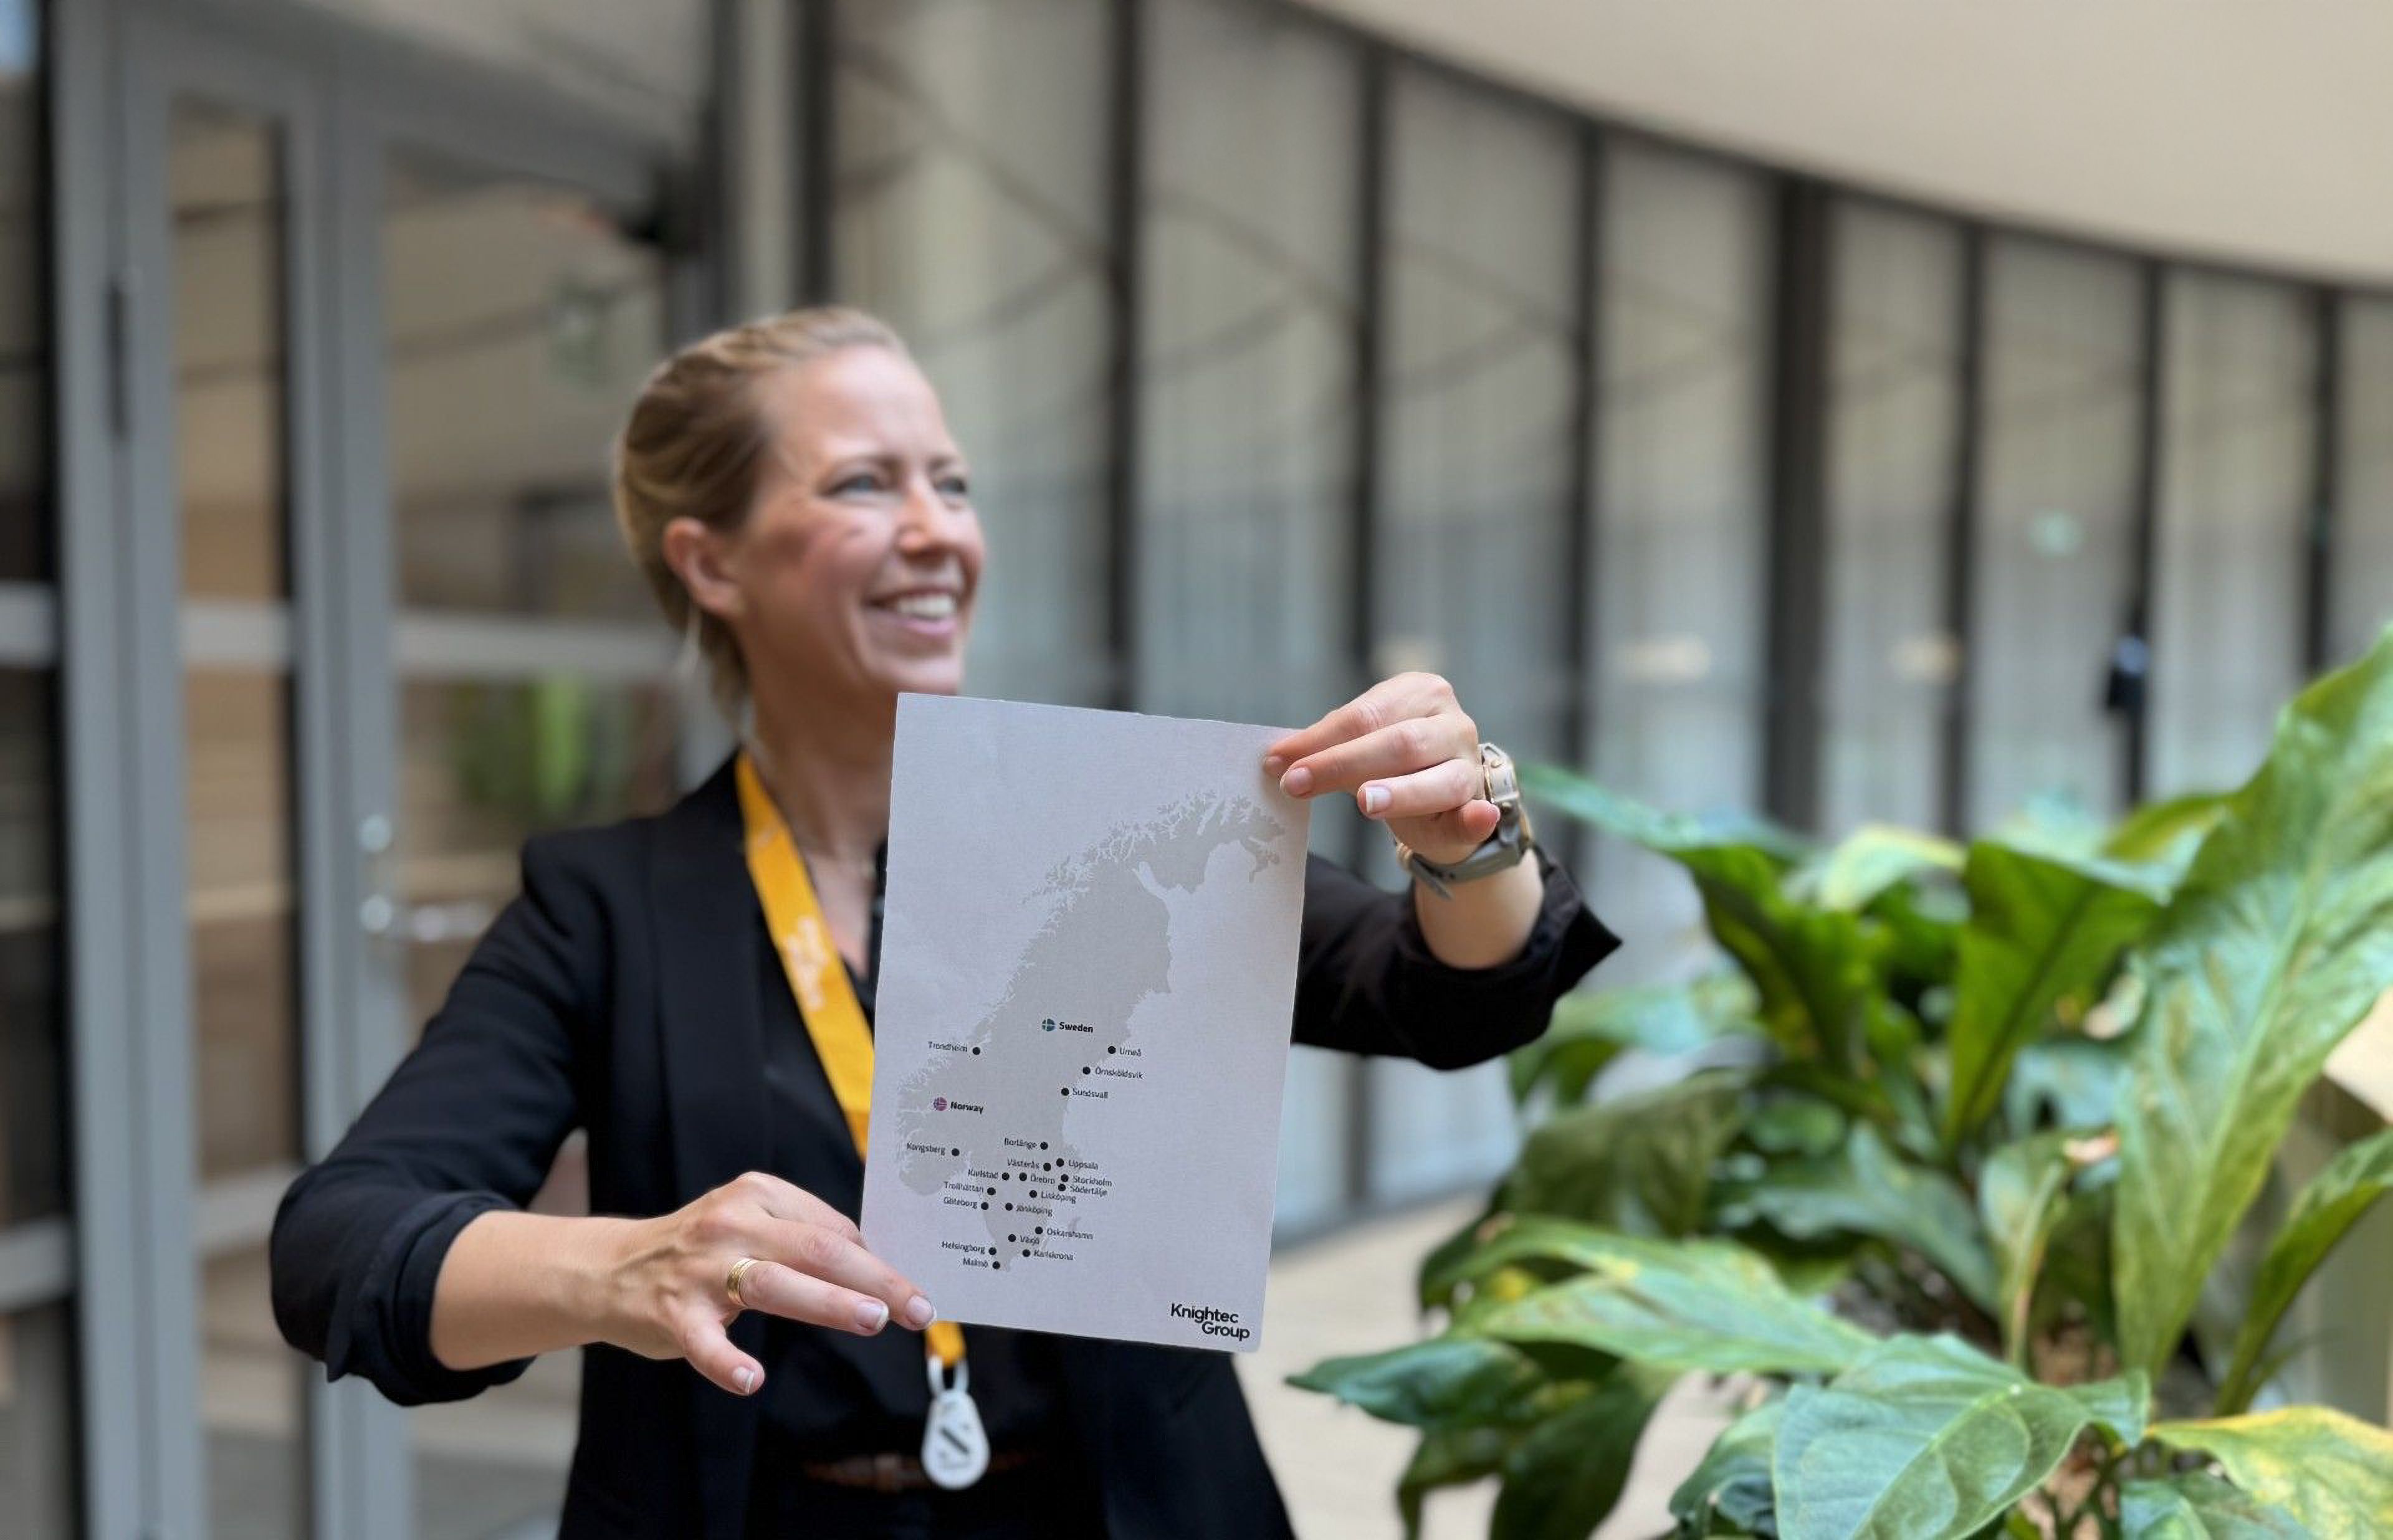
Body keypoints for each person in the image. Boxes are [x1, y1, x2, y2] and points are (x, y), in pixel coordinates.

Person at [271, 307, 1616, 1539]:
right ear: (712, 561)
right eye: (866, 482)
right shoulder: (608, 906)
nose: (938, 530)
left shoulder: (1098, 831)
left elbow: (1445, 994)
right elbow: (341, 1246)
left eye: (952, 483)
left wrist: (1471, 840)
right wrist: (626, 1263)